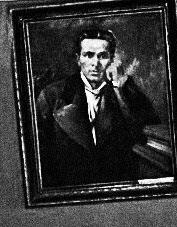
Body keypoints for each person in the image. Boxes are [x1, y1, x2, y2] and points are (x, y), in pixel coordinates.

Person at [35, 28, 160, 188]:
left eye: (102, 56)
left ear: (112, 60)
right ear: (78, 59)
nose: (95, 63)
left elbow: (144, 135)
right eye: (88, 55)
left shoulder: (123, 91)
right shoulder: (52, 95)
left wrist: (120, 86)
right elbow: (40, 156)